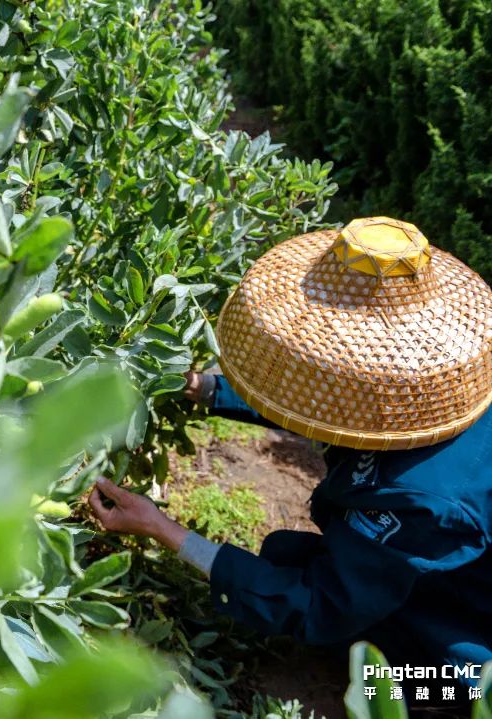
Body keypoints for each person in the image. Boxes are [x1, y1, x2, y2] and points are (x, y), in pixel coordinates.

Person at [88, 217, 492, 707]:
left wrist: (165, 531)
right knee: (291, 558)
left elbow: (318, 605)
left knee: (381, 679)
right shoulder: (451, 378)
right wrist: (207, 389)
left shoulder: (421, 502)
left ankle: (443, 696)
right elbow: (333, 398)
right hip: (451, 563)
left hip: (473, 640)